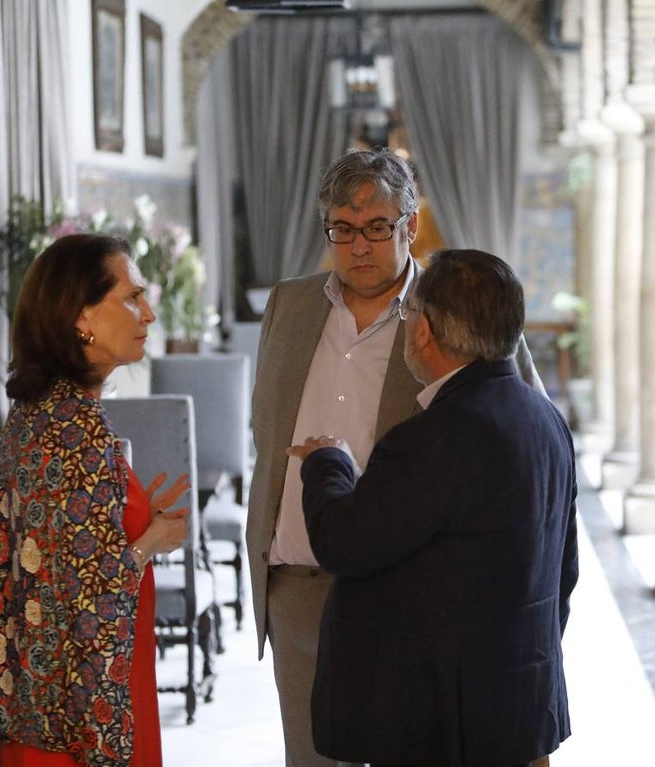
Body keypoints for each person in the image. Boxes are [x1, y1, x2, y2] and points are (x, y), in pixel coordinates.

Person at [246, 148, 542, 766]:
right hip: (297, 590)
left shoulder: (455, 308)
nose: (359, 246)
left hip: (409, 600)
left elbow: (522, 437)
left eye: (377, 227)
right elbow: (266, 429)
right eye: (342, 229)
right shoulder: (289, 304)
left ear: (410, 225)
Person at [289, 249, 578, 767]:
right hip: (519, 700)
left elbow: (342, 542)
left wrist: (328, 461)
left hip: (442, 718)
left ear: (423, 330)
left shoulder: (435, 437)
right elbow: (565, 569)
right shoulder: (544, 416)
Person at [0, 233, 191, 767]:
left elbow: (64, 555)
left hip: (42, 699)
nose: (149, 314)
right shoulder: (77, 429)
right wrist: (152, 542)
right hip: (81, 712)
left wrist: (136, 517)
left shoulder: (41, 409)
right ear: (82, 317)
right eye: (132, 297)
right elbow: (89, 595)